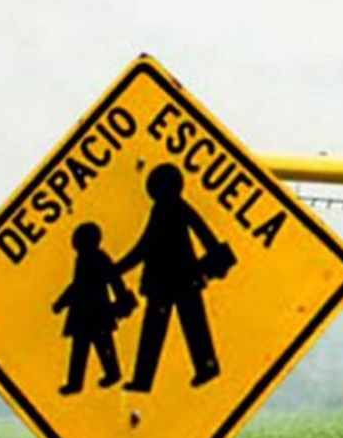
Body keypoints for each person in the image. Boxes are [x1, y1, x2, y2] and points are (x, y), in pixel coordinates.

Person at [116, 163, 234, 393]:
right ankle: (203, 367)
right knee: (187, 324)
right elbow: (201, 231)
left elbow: (145, 246)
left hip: (169, 280)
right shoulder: (171, 208)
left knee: (161, 329)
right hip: (181, 278)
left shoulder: (167, 209)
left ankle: (148, 379)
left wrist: (117, 269)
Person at [53, 222, 135, 395]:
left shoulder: (97, 258)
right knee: (81, 348)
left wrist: (121, 297)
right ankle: (76, 383)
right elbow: (77, 285)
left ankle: (111, 374)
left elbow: (112, 279)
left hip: (96, 310)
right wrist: (61, 302)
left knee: (102, 345)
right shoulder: (83, 259)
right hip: (84, 311)